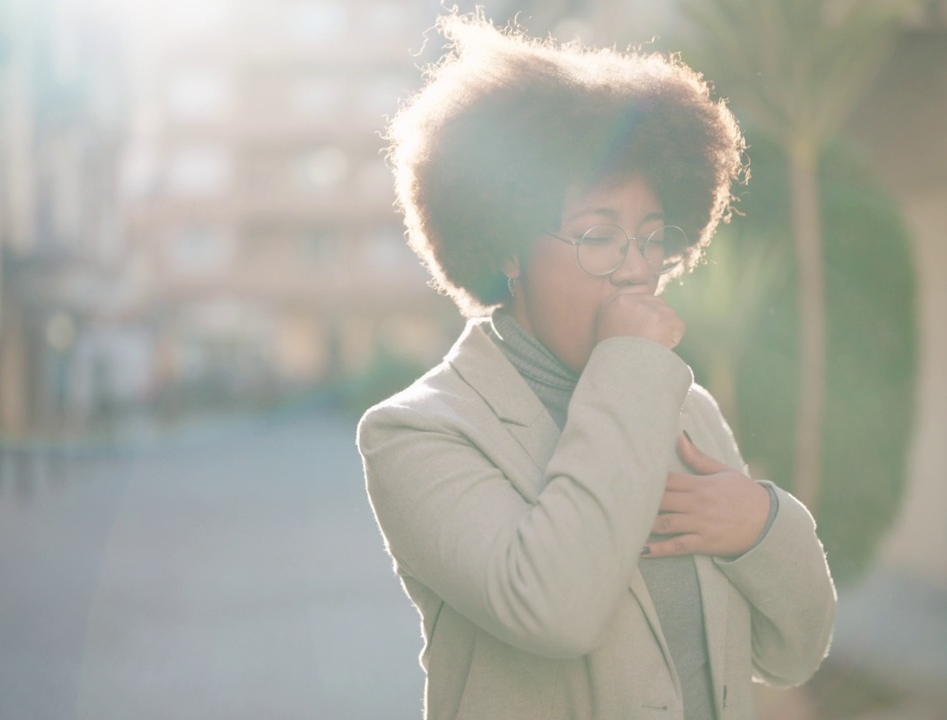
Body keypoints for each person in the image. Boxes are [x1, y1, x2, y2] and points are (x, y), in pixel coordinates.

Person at [356, 14, 836, 720]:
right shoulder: (416, 434)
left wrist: (763, 525)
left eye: (651, 238)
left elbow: (793, 652)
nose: (635, 269)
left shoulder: (685, 408)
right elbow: (555, 608)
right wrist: (630, 365)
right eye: (597, 236)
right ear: (507, 246)